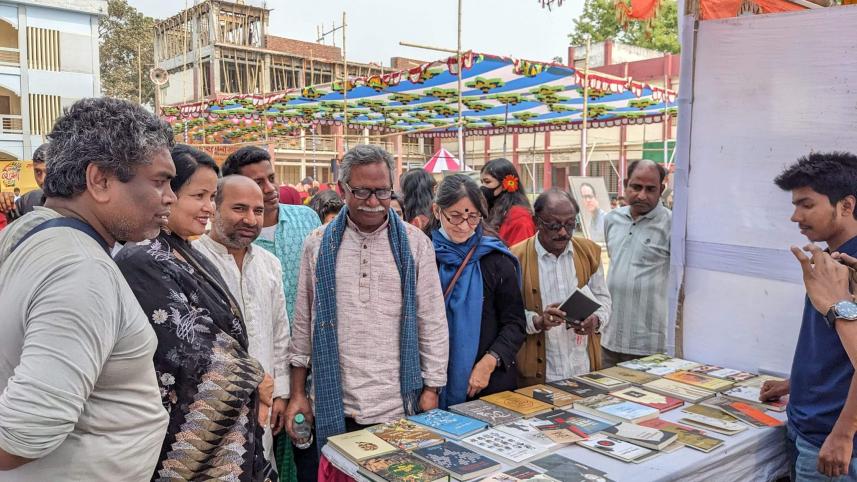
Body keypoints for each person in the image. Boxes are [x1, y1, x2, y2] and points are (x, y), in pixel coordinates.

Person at [0, 97, 172, 479]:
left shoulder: (28, 231)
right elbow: (24, 433)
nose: (170, 197)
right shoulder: (81, 270)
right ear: (99, 180)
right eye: (159, 181)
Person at [115, 144, 276, 481]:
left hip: (222, 418)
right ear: (167, 194)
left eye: (212, 196)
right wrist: (253, 376)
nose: (208, 208)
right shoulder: (143, 258)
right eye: (199, 195)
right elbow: (185, 344)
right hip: (184, 424)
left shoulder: (182, 250)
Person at [285, 144, 448, 473]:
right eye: (362, 192)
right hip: (334, 403)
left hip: (398, 404)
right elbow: (303, 322)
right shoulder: (318, 243)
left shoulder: (416, 243)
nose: (374, 202)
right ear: (343, 189)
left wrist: (431, 390)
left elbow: (431, 321)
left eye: (382, 192)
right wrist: (298, 392)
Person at [221, 146, 320, 481]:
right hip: (256, 375)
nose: (269, 188)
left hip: (306, 360)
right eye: (257, 182)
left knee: (302, 443)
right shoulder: (227, 246)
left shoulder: (306, 219)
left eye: (271, 178)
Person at [768, 152, 857, 480]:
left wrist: (844, 433)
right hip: (806, 425)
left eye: (806, 204)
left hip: (831, 439)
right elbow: (838, 348)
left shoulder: (851, 264)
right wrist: (795, 384)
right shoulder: (827, 259)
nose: (795, 216)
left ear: (846, 205)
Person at [194, 175, 291, 465]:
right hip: (210, 408)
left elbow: (279, 332)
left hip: (263, 404)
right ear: (214, 207)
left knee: (260, 465)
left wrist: (281, 394)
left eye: (257, 211)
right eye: (239, 209)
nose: (250, 219)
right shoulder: (192, 260)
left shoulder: (268, 263)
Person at [428, 174, 526, 408]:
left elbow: (515, 323)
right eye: (455, 216)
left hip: (488, 383)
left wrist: (490, 361)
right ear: (436, 211)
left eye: (473, 217)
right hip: (431, 385)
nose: (464, 226)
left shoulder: (495, 259)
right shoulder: (422, 254)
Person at [511, 189, 612, 385]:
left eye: (570, 224)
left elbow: (603, 298)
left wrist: (596, 320)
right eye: (554, 225)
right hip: (539, 372)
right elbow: (508, 316)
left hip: (583, 366)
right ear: (536, 222)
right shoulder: (516, 258)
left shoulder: (589, 253)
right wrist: (538, 321)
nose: (563, 232)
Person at [600, 160, 671, 367]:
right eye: (636, 187)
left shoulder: (671, 225)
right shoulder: (612, 219)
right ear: (625, 184)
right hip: (610, 339)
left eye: (650, 189)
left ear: (662, 190)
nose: (642, 195)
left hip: (650, 345)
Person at [480, 158, 535, 246]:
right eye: (482, 182)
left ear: (505, 183)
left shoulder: (520, 217)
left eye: (487, 182)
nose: (483, 187)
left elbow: (521, 254)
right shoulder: (490, 210)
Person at [0, 143, 49, 222]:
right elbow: (8, 222)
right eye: (38, 172)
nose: (42, 179)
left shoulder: (73, 203)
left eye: (48, 171)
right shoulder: (29, 200)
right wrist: (4, 203)